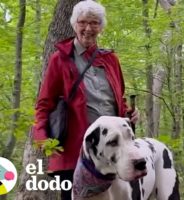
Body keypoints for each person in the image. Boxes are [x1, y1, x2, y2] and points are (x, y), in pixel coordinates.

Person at [32, 1, 138, 199]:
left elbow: (118, 100)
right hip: (75, 152)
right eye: (83, 22)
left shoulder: (110, 59)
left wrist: (128, 115)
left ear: (101, 27)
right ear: (74, 24)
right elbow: (44, 104)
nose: (88, 28)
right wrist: (41, 137)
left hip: (111, 153)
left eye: (94, 23)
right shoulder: (60, 59)